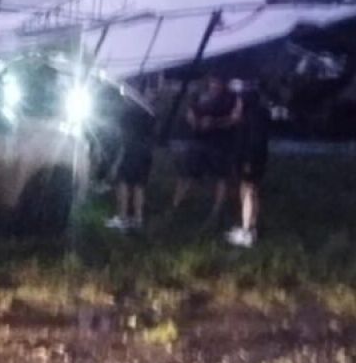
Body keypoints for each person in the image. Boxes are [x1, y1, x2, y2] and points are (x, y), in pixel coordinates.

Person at [170, 74, 242, 222]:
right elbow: (190, 113)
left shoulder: (231, 98)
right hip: (198, 141)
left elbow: (235, 119)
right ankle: (176, 205)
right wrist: (196, 123)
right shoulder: (199, 96)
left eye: (218, 81)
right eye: (213, 80)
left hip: (221, 142)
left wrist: (215, 123)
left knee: (221, 176)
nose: (215, 84)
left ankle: (216, 211)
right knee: (187, 173)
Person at [226, 79, 271, 248]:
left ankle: (246, 232)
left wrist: (248, 161)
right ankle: (250, 228)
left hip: (250, 159)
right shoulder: (259, 113)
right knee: (251, 191)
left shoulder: (252, 117)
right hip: (254, 159)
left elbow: (254, 141)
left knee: (248, 192)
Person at [105, 83, 156, 231]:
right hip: (147, 152)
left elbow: (123, 136)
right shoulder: (150, 111)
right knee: (139, 186)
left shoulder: (128, 112)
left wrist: (117, 159)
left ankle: (122, 218)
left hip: (130, 150)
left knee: (123, 183)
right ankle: (138, 219)